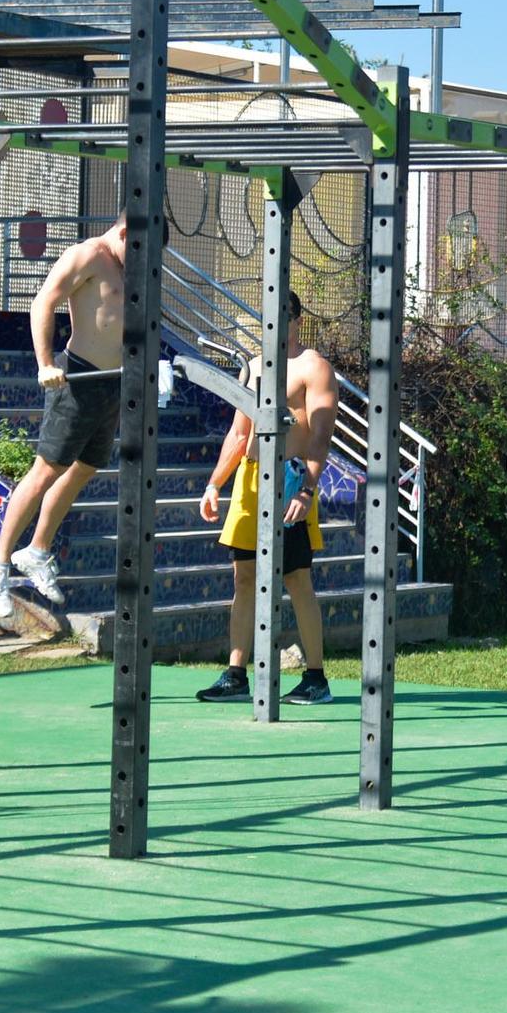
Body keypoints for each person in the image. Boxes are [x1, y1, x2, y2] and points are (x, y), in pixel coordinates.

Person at [0, 214, 142, 632]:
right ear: (125, 231)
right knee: (44, 472)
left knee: (84, 469)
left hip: (111, 383)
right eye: (139, 244)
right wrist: (45, 363)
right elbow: (43, 301)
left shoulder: (127, 264)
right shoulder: (88, 254)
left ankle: (36, 549)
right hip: (77, 377)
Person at [194, 291, 341, 705]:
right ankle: (236, 672)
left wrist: (308, 490)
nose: (273, 327)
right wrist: (214, 484)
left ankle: (316, 677)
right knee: (243, 578)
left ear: (296, 320)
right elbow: (240, 434)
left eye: (281, 318)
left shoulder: (314, 368)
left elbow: (320, 436)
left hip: (290, 482)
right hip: (251, 481)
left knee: (296, 579)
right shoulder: (256, 367)